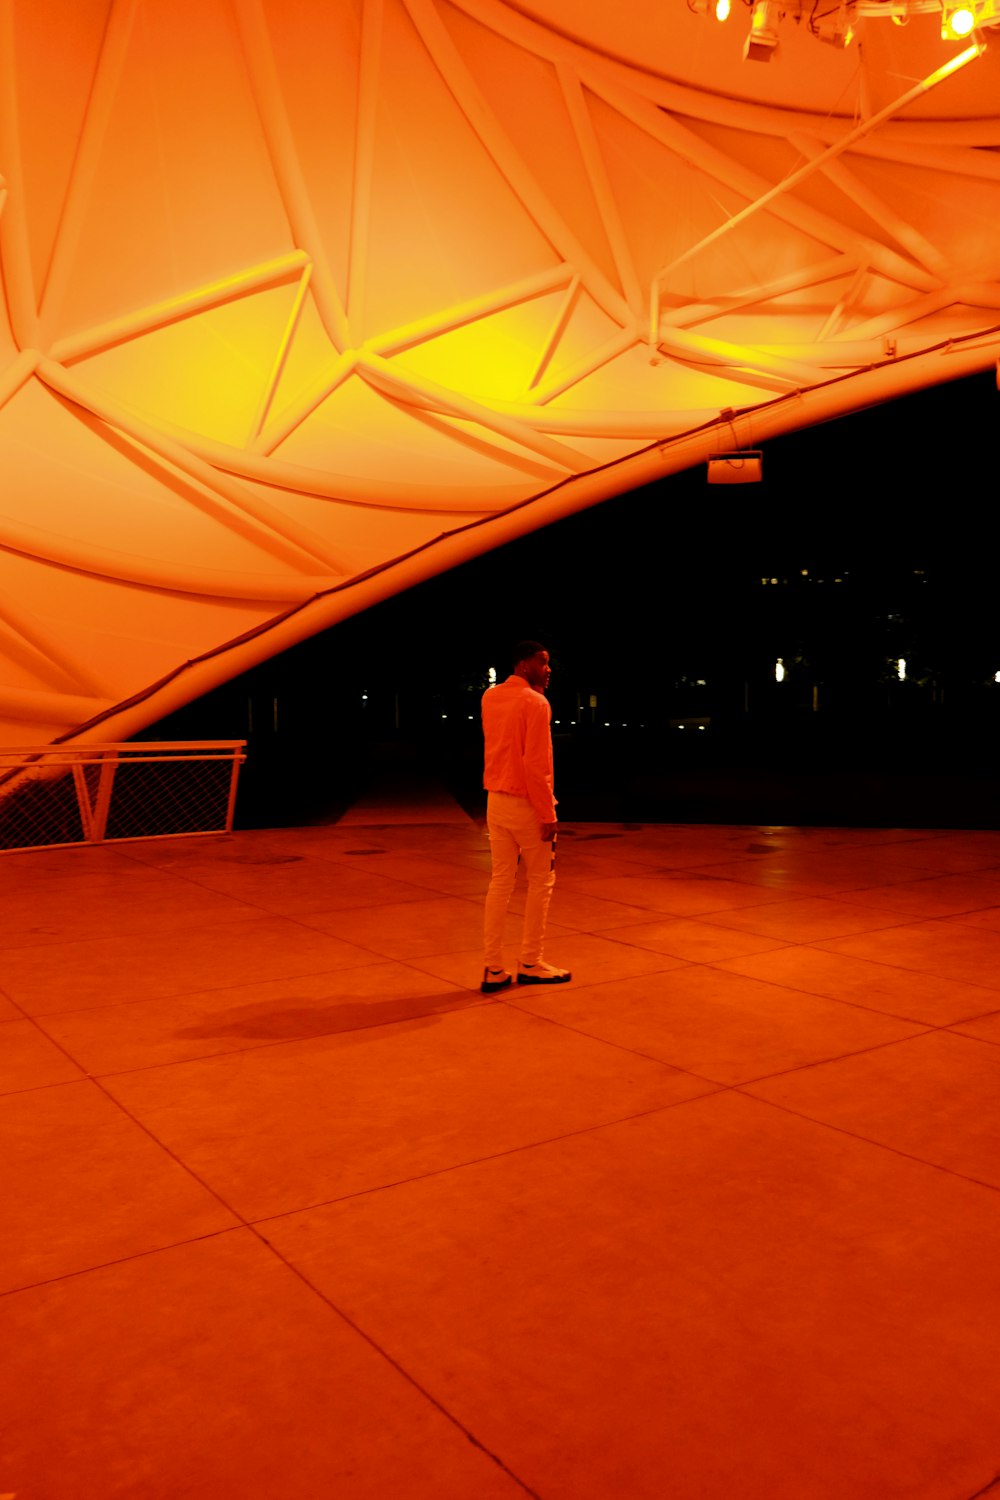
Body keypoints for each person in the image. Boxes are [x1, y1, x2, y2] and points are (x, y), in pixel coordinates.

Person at [480, 641, 571, 994]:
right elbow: (537, 765)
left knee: (500, 882)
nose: (548, 669)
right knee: (540, 882)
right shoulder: (535, 703)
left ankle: (493, 968)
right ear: (523, 665)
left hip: (495, 802)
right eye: (542, 662)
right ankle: (531, 962)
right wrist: (547, 813)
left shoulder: (490, 697)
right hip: (525, 804)